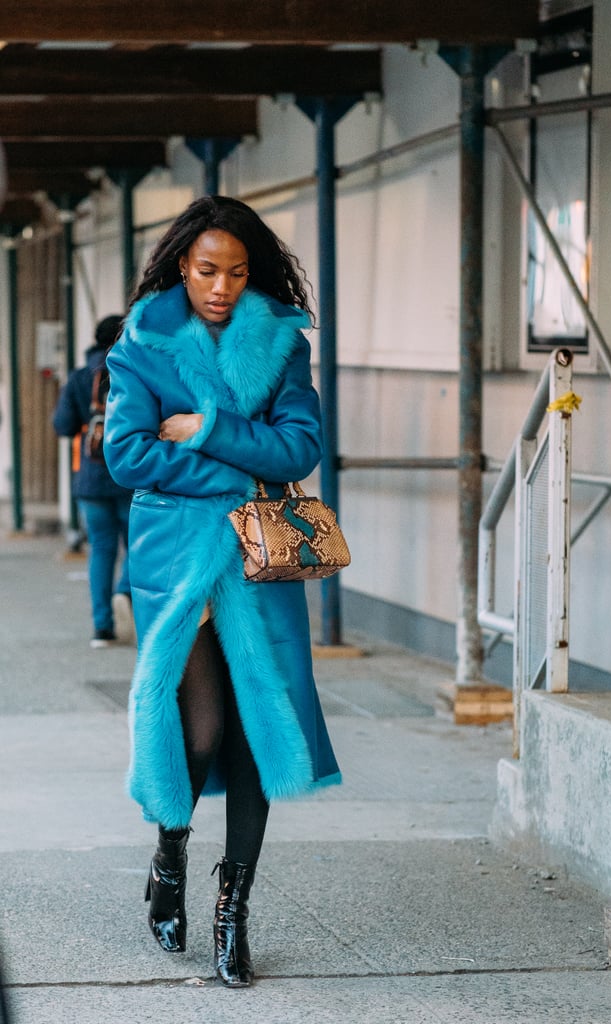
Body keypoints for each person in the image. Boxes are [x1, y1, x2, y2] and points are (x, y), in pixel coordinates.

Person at [103, 195, 341, 988]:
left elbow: (301, 446)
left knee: (257, 738)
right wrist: (246, 460)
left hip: (259, 563)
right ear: (182, 265)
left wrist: (204, 429)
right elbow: (128, 456)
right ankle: (170, 851)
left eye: (237, 272)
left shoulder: (281, 345)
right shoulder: (143, 343)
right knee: (197, 730)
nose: (222, 286)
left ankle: (232, 910)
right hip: (177, 566)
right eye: (208, 270)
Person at [53, 315, 135, 648]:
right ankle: (125, 591)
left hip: (91, 479)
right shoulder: (133, 371)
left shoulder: (78, 378)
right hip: (131, 476)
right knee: (139, 546)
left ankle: (102, 627)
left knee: (100, 549)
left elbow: (62, 426)